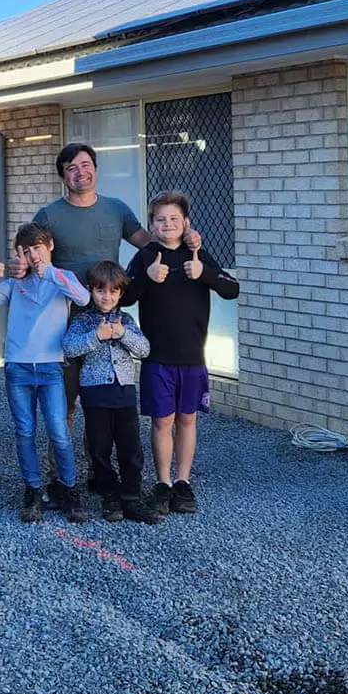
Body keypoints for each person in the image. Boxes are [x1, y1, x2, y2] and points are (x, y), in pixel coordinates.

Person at [26, 143, 202, 431]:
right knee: (64, 405)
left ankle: (100, 471)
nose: (80, 173)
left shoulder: (116, 209)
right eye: (71, 168)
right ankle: (62, 473)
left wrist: (186, 236)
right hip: (64, 320)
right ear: (63, 176)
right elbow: (32, 256)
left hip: (109, 320)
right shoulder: (48, 215)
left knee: (103, 403)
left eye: (85, 165)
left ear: (95, 168)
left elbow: (151, 242)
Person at [124, 190, 239, 516]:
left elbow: (232, 289)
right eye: (161, 219)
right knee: (162, 421)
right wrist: (145, 280)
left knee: (187, 420)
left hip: (192, 356)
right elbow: (123, 297)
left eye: (174, 218)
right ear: (152, 224)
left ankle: (182, 481)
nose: (168, 224)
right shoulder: (146, 256)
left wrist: (204, 273)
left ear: (186, 222)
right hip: (157, 357)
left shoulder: (196, 253)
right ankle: (162, 483)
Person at [0, 222, 90, 524]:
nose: (33, 255)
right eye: (25, 251)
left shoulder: (61, 277)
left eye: (37, 248)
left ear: (50, 245)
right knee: (24, 431)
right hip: (18, 367)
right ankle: (33, 489)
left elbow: (83, 298)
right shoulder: (15, 283)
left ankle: (68, 487)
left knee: (59, 432)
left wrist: (46, 271)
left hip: (51, 367)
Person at [62, 261, 160, 524]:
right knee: (100, 447)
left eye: (113, 292)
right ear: (91, 291)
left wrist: (122, 333)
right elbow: (69, 348)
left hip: (124, 393)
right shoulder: (83, 320)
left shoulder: (126, 320)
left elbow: (144, 349)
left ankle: (131, 496)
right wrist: (97, 335)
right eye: (100, 291)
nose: (107, 297)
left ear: (120, 293)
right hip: (95, 395)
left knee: (130, 447)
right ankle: (109, 494)